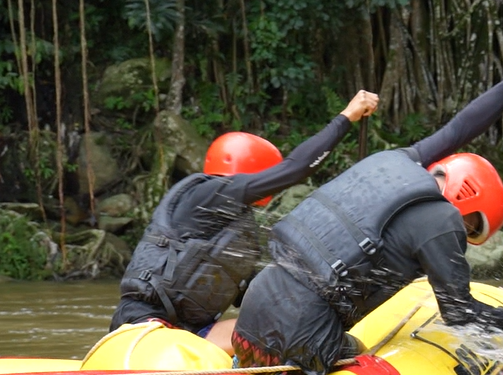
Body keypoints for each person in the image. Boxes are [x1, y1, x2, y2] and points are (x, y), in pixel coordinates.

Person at [231, 46, 503, 375]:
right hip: (301, 335)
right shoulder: (442, 222)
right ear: (468, 205)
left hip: (253, 309)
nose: (464, 232)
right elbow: (459, 314)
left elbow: (462, 127)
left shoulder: (399, 161)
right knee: (356, 352)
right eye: (471, 226)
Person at [110, 91, 380, 352]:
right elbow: (295, 169)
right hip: (144, 328)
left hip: (190, 334)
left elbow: (262, 294)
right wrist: (346, 117)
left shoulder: (233, 225)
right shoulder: (204, 195)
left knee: (289, 323)